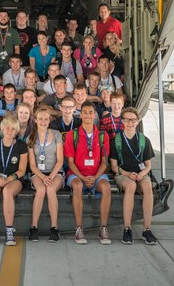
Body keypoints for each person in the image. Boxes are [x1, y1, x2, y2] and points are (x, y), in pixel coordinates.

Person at [64, 101, 111, 245]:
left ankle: (103, 228)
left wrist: (95, 177)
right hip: (77, 174)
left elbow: (104, 162)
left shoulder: (102, 135)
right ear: (80, 115)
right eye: (84, 112)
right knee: (77, 186)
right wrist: (83, 178)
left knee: (106, 187)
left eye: (91, 112)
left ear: (95, 115)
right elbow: (70, 162)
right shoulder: (72, 134)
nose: (88, 115)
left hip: (96, 174)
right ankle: (79, 229)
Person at [109, 108, 158, 245]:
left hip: (140, 173)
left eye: (133, 120)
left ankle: (147, 229)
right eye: (127, 120)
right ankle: (127, 229)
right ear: (122, 121)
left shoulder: (144, 140)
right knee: (130, 186)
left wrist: (141, 174)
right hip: (123, 173)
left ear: (137, 122)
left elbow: (148, 165)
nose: (130, 123)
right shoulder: (116, 140)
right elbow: (114, 167)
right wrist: (128, 174)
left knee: (147, 186)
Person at [0, 115, 28, 246]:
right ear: (2, 129)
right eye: (7, 128)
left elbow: (22, 170)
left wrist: (8, 179)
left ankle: (9, 231)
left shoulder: (21, 146)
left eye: (13, 129)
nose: (10, 131)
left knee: (7, 191)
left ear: (16, 131)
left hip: (14, 179)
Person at [26, 107, 64, 242]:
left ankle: (54, 228)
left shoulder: (57, 134)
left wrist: (51, 176)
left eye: (46, 119)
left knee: (51, 188)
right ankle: (33, 227)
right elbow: (32, 165)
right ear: (35, 120)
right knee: (41, 189)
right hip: (38, 173)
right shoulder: (30, 138)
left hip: (55, 172)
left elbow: (60, 160)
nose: (43, 121)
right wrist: (43, 177)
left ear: (49, 120)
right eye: (40, 119)